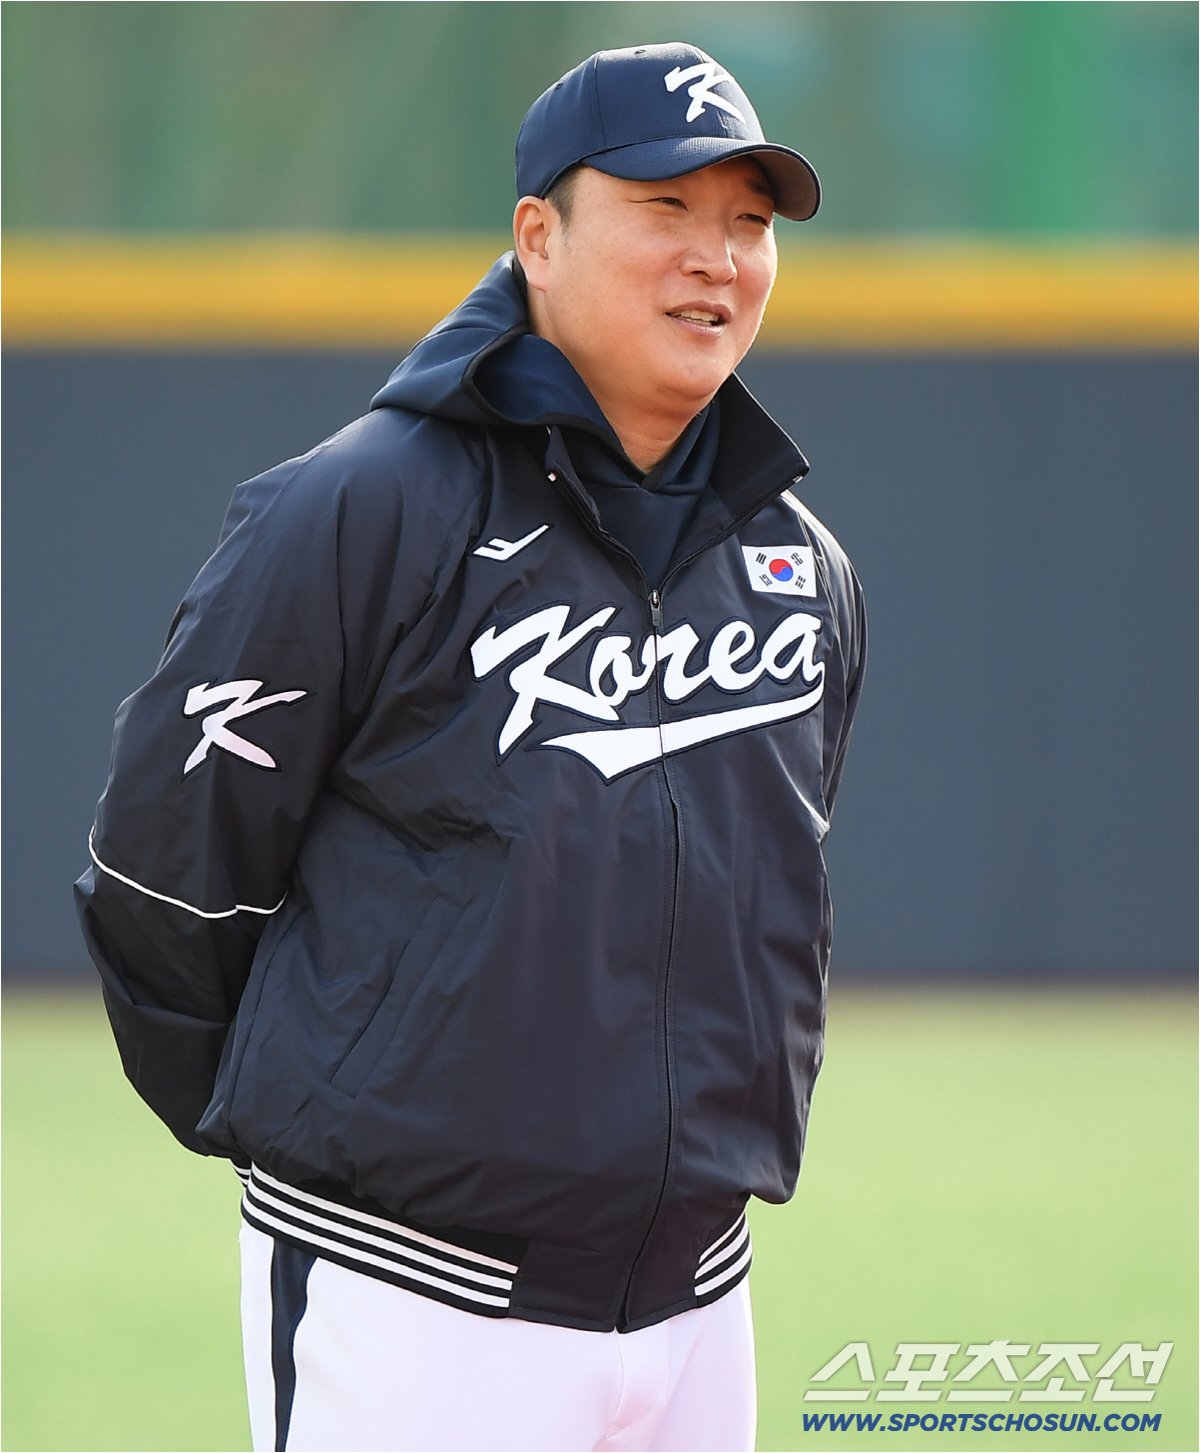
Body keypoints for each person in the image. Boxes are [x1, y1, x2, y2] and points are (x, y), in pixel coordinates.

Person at [76, 41, 865, 1453]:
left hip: (698, 1293)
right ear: (538, 238)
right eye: (666, 210)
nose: (718, 258)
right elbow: (164, 874)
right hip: (413, 1295)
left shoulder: (795, 563)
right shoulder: (363, 508)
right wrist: (326, 1126)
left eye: (749, 223)